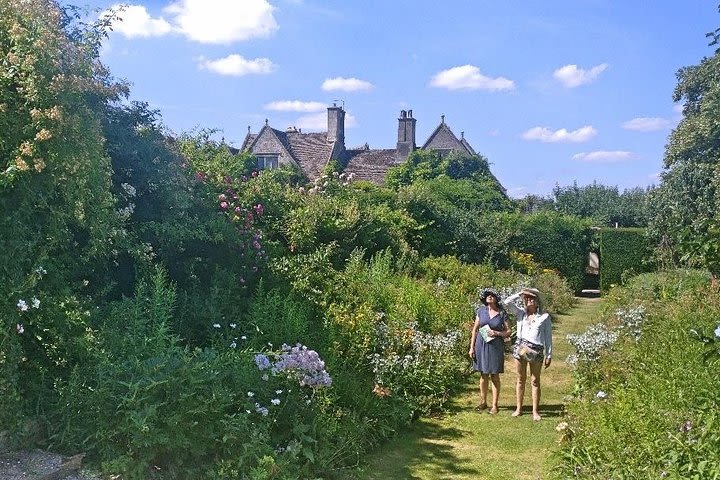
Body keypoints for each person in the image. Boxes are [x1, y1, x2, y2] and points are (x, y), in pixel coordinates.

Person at [503, 287, 552, 421]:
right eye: (527, 298)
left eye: (532, 298)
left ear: (537, 302)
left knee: (535, 381)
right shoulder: (520, 314)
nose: (529, 300)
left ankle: (535, 411)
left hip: (536, 351)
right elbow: (506, 302)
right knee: (520, 379)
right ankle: (519, 409)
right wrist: (520, 294)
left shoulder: (544, 317)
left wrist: (549, 355)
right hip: (520, 348)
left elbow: (548, 337)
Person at [468, 288, 511, 414]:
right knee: (483, 374)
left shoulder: (502, 313)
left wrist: (497, 333)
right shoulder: (481, 311)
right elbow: (475, 329)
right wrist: (471, 347)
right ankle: (483, 402)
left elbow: (508, 331)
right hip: (481, 344)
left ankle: (494, 405)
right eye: (488, 295)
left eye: (493, 295)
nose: (490, 296)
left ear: (496, 298)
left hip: (495, 346)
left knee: (495, 375)